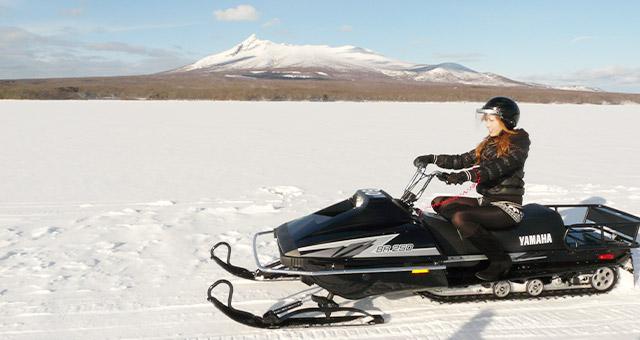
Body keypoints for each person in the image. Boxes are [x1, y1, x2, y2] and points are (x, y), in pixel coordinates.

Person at [413, 96, 530, 282]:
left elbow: (498, 167)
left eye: (491, 120)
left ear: (505, 120)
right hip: (487, 201)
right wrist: (433, 158)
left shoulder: (518, 144)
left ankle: (500, 260)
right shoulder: (489, 143)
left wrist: (465, 176)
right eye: (486, 120)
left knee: (461, 217)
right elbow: (461, 159)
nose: (487, 125)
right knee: (439, 203)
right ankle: (463, 246)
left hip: (507, 207)